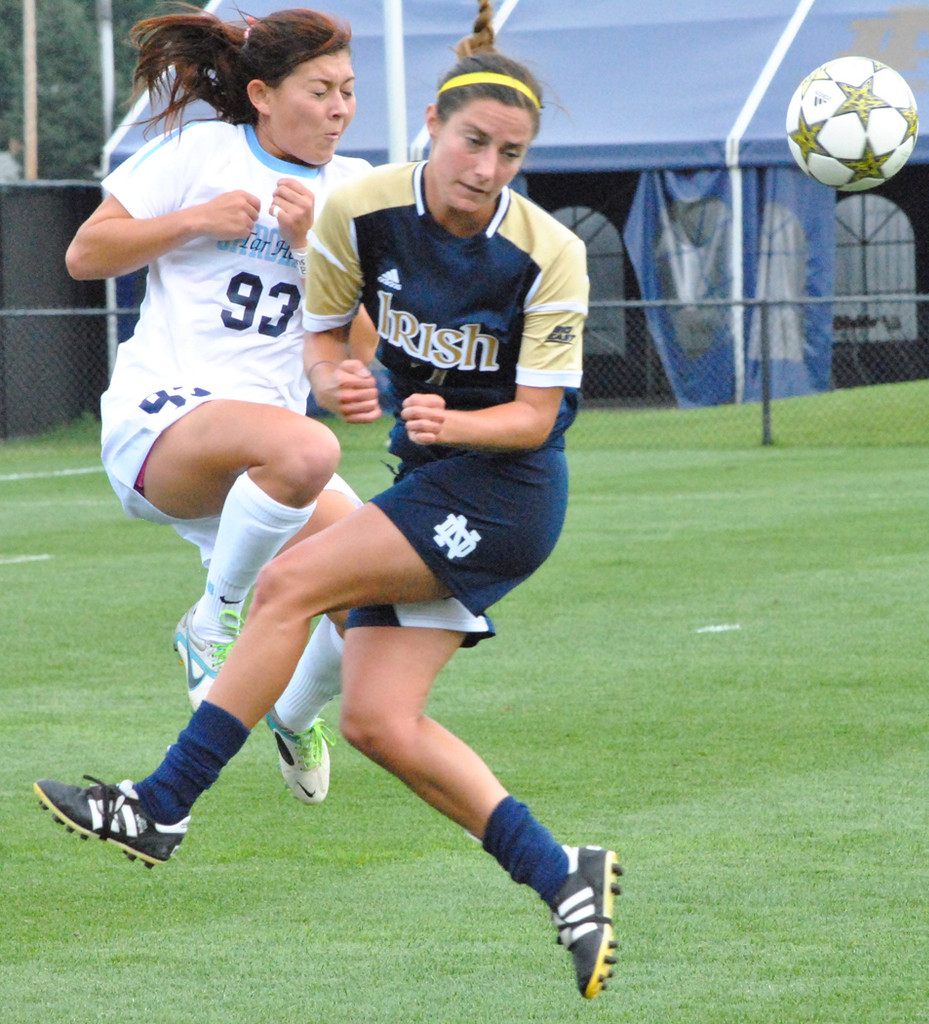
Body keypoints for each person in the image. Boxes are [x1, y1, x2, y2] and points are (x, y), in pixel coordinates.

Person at [35, 0, 622, 1000]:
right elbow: (334, 350)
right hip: (421, 481)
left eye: (510, 152)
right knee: (381, 722)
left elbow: (533, 417)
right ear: (433, 127)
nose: (487, 167)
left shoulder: (545, 253)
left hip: (501, 492)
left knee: (291, 582)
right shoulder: (366, 206)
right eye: (473, 140)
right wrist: (348, 378)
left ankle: (163, 803)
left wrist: (447, 424)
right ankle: (561, 871)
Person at [64, 7, 375, 803]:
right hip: (164, 424)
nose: (340, 107)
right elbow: (84, 254)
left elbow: (363, 350)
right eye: (321, 90)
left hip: (267, 470)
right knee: (308, 449)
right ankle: (214, 618)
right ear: (264, 94)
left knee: (387, 608)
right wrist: (195, 219)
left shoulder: (352, 191)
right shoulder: (200, 152)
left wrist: (315, 251)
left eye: (348, 89)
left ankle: (293, 710)